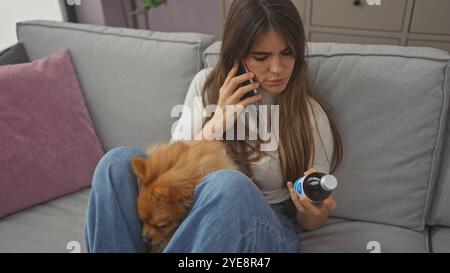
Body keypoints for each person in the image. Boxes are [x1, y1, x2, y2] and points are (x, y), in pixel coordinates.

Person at [85, 0, 343, 253]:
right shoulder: (205, 87)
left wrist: (313, 210)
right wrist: (217, 123)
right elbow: (173, 176)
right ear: (238, 55)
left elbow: (312, 221)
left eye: (287, 53)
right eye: (261, 56)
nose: (277, 69)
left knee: (228, 184)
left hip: (266, 227)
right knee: (116, 162)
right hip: (191, 218)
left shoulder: (310, 115)